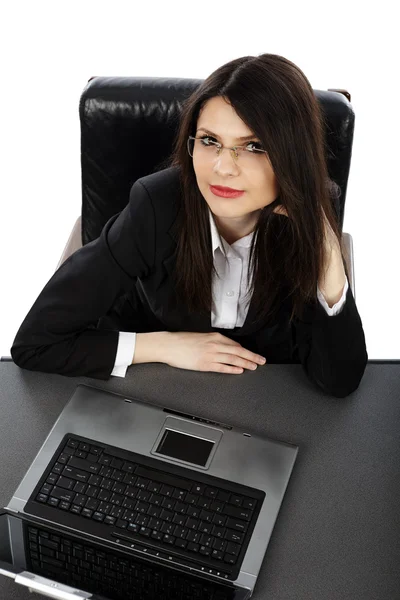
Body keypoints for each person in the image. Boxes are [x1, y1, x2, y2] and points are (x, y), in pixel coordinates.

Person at [10, 53, 368, 397]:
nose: (223, 168)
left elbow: (339, 381)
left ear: (294, 156)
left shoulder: (313, 211)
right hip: (157, 389)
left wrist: (327, 257)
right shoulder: (155, 205)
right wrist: (164, 346)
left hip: (267, 399)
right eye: (211, 141)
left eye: (255, 146)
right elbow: (36, 343)